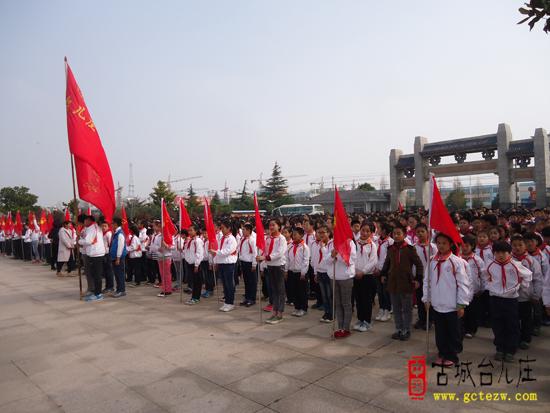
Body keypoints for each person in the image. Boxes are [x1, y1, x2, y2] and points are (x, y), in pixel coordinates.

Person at [423, 233, 470, 367]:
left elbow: (463, 284)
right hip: (437, 304)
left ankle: (452, 355)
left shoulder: (456, 262)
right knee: (440, 332)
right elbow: (427, 281)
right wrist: (426, 298)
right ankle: (442, 353)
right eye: (438, 243)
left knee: (453, 332)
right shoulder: (432, 260)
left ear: (450, 244)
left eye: (444, 243)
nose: (441, 246)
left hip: (452, 305)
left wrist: (461, 304)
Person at [483, 240, 532, 362]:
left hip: (510, 300)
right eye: (497, 252)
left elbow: (528, 275)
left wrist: (520, 286)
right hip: (495, 298)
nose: (500, 255)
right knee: (497, 324)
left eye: (504, 252)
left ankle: (510, 349)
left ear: (510, 253)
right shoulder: (490, 265)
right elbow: (485, 276)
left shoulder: (515, 265)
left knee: (512, 325)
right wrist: (490, 286)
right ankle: (500, 348)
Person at [381, 225, 424, 341]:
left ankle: (406, 329)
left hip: (406, 283)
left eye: (399, 233)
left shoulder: (409, 249)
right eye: (394, 233)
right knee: (396, 308)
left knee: (406, 308)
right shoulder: (390, 249)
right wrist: (383, 274)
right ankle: (399, 328)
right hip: (393, 282)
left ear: (404, 235)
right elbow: (387, 263)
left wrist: (418, 279)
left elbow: (419, 265)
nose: (396, 236)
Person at [324, 227, 357, 339]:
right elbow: (326, 260)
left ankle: (346, 328)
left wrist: (340, 255)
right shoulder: (331, 243)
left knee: (346, 303)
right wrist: (332, 255)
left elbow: (351, 260)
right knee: (337, 303)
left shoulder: (350, 243)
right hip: (334, 277)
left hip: (345, 277)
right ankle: (340, 326)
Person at [511, 235, 542, 350]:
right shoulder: (509, 260)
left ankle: (525, 339)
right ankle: (514, 338)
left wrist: (536, 295)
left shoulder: (531, 261)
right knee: (513, 319)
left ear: (525, 246)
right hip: (511, 296)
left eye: (520, 245)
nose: (517, 247)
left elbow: (537, 279)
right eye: (514, 245)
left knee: (526, 319)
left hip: (526, 296)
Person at [257, 219, 287, 324]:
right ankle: (274, 312)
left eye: (273, 225)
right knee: (273, 290)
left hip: (279, 266)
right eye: (270, 225)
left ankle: (280, 313)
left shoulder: (281, 239)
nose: (271, 227)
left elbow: (279, 253)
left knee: (280, 290)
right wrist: (260, 257)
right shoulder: (268, 238)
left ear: (279, 226)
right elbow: (265, 251)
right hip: (270, 266)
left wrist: (266, 257)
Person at [353, 221, 378, 332]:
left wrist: (363, 272)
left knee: (366, 300)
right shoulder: (355, 243)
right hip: (355, 275)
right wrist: (354, 271)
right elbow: (352, 258)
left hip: (367, 276)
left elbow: (373, 261)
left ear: (371, 233)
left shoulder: (372, 245)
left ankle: (367, 321)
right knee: (358, 299)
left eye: (368, 231)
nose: (364, 233)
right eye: (363, 230)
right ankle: (360, 319)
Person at [461, 234, 485, 339]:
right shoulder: (458, 258)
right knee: (462, 311)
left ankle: (471, 329)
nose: (464, 248)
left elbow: (483, 275)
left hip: (475, 291)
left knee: (472, 311)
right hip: (461, 291)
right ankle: (462, 328)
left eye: (467, 246)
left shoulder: (477, 259)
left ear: (472, 246)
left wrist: (482, 288)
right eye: (462, 246)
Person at [210, 220, 238, 312]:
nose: (221, 229)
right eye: (221, 228)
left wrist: (216, 252)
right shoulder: (222, 238)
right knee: (225, 284)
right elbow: (219, 249)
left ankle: (230, 303)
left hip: (229, 264)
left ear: (229, 228)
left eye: (223, 228)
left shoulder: (232, 239)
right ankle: (226, 302)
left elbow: (227, 251)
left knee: (229, 284)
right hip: (222, 263)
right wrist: (215, 261)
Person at [413, 223, 436, 330]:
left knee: (430, 299)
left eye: (422, 231)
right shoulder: (414, 247)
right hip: (419, 277)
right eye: (418, 232)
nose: (420, 234)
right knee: (420, 298)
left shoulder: (433, 247)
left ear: (428, 233)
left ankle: (430, 319)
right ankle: (421, 318)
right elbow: (412, 264)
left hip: (431, 277)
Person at [79, 215, 106, 302]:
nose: (84, 223)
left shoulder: (92, 228)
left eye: (84, 221)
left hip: (96, 253)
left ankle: (98, 294)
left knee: (97, 275)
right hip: (95, 253)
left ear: (88, 220)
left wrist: (79, 241)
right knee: (95, 274)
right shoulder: (93, 227)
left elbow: (88, 241)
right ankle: (96, 292)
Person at [285, 227, 310, 317]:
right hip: (292, 271)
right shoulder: (290, 246)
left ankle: (303, 308)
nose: (294, 236)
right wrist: (286, 270)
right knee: (294, 290)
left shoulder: (304, 247)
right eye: (293, 234)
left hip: (301, 273)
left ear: (301, 235)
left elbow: (306, 261)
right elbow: (287, 259)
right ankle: (297, 307)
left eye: (296, 234)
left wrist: (303, 272)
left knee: (302, 291)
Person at [375, 223, 394, 322]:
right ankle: (381, 309)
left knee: (386, 292)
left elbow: (389, 259)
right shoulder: (376, 241)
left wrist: (384, 272)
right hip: (377, 270)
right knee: (380, 292)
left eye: (379, 228)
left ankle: (387, 310)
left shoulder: (390, 242)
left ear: (384, 231)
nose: (377, 230)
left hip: (386, 271)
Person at [149, 220, 174, 297]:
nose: (160, 228)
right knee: (162, 274)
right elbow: (154, 246)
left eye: (160, 227)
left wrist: (166, 246)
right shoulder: (157, 236)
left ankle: (168, 290)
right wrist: (157, 248)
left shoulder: (168, 235)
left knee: (167, 274)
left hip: (166, 256)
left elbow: (173, 246)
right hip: (159, 256)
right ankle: (164, 289)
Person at [238, 223, 258, 307]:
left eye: (244, 230)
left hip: (250, 263)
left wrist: (254, 264)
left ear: (249, 230)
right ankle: (247, 297)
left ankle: (252, 299)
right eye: (242, 229)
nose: (242, 231)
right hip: (244, 262)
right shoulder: (243, 239)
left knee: (252, 281)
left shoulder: (252, 240)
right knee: (246, 281)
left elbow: (255, 253)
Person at [185, 225, 205, 305]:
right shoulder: (190, 240)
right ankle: (194, 296)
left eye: (191, 230)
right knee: (193, 281)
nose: (189, 232)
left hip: (196, 264)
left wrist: (196, 264)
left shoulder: (198, 241)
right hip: (190, 263)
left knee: (197, 282)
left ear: (196, 231)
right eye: (188, 230)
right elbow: (188, 251)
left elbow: (199, 253)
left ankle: (196, 297)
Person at [109, 218, 127, 298]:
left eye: (112, 223)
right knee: (116, 274)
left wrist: (118, 258)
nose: (111, 225)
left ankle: (121, 290)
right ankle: (118, 289)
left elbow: (120, 247)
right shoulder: (116, 233)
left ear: (116, 224)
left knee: (119, 274)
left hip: (118, 258)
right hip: (114, 257)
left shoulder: (120, 234)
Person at [100, 220, 115, 294]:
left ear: (108, 227)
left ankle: (110, 287)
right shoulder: (102, 233)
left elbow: (111, 245)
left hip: (107, 254)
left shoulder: (108, 234)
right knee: (105, 272)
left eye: (105, 226)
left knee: (109, 271)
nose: (103, 227)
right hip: (103, 254)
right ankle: (107, 286)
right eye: (102, 226)